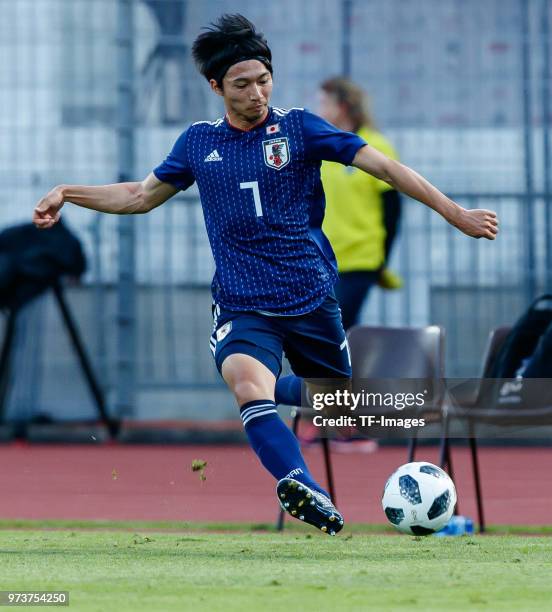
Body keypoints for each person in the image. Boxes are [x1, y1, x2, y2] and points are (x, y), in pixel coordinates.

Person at [33, 14, 499, 536]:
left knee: (337, 403)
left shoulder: (300, 128)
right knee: (247, 385)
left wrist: (455, 213)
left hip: (309, 296)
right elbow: (140, 196)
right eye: (241, 84)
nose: (256, 93)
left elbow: (386, 168)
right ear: (215, 87)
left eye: (263, 80)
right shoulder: (197, 143)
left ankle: (298, 396)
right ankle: (308, 489)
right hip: (242, 302)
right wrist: (68, 191)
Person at [319, 76, 403, 330]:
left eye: (324, 104)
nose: (319, 111)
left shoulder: (375, 146)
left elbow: (392, 209)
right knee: (331, 333)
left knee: (334, 327)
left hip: (360, 258)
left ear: (341, 107)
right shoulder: (323, 148)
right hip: (324, 260)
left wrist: (381, 260)